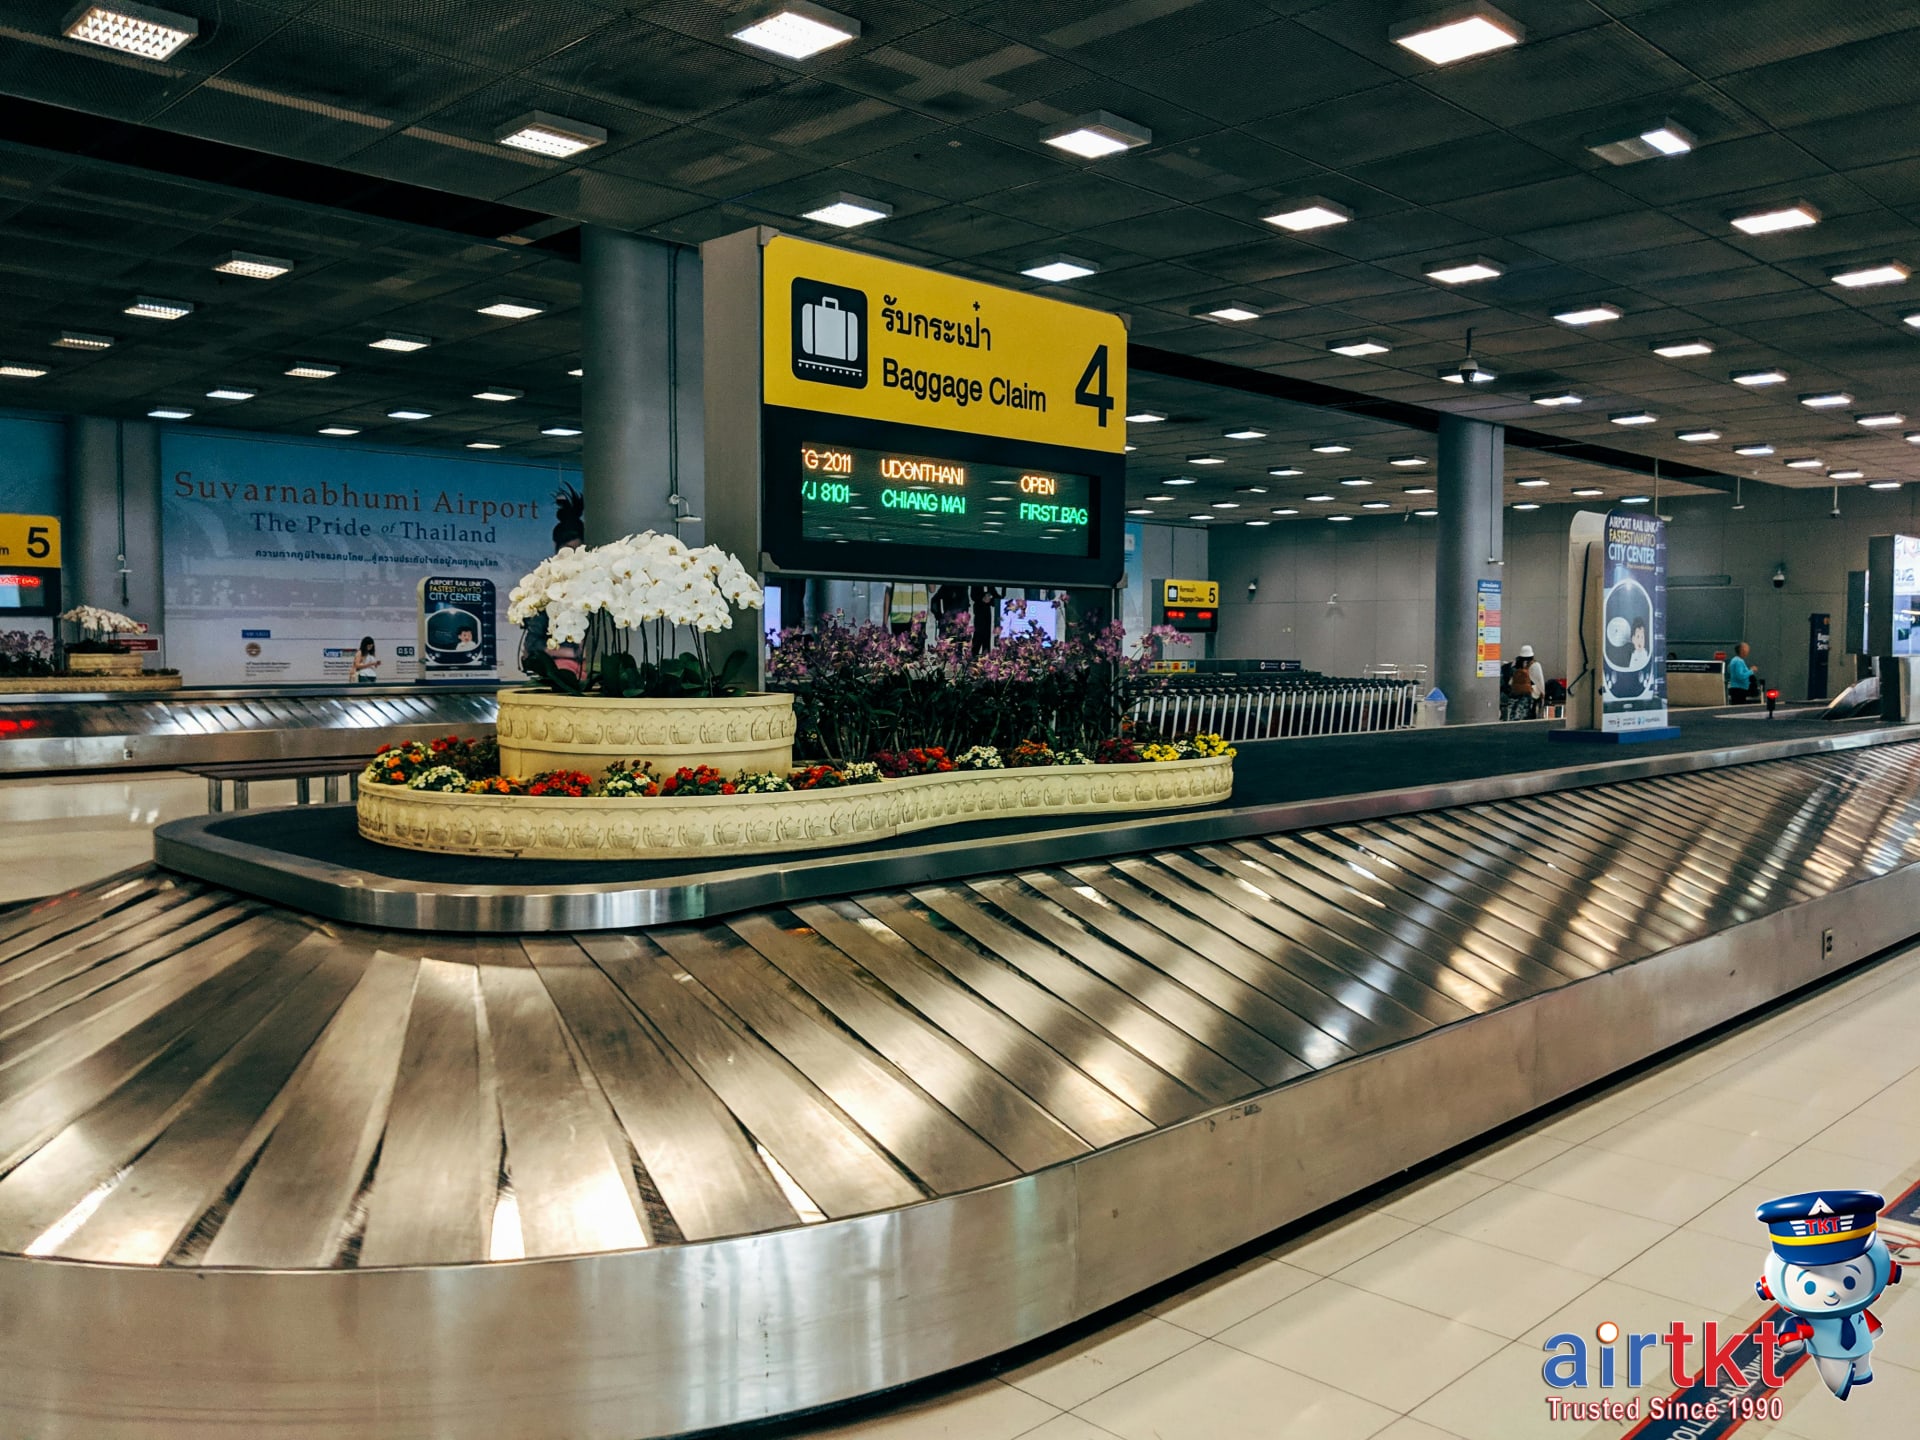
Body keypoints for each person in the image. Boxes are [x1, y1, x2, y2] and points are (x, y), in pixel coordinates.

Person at [1503, 643, 1544, 720]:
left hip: (1515, 693)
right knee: (1526, 715)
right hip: (1528, 694)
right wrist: (1542, 694)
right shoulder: (1535, 665)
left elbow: (1510, 680)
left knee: (1515, 714)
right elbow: (1540, 682)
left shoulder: (1515, 664)